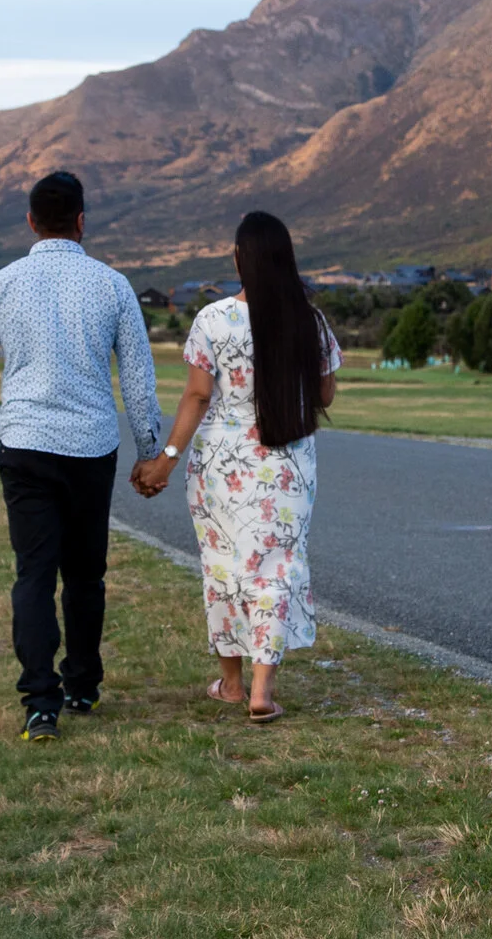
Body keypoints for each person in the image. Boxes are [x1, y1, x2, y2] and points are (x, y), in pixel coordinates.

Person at [0, 171, 164, 744]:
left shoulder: (0, 285)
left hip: (24, 446)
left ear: (30, 222)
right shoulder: (113, 286)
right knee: (86, 573)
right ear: (82, 221)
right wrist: (150, 451)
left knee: (35, 574)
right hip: (91, 448)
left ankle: (40, 703)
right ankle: (83, 685)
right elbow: (138, 381)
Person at [130, 211, 339, 723]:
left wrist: (166, 460)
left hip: (222, 467)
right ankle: (262, 691)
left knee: (223, 568)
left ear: (238, 259)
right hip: (288, 463)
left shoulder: (213, 319)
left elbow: (198, 396)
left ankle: (231, 683)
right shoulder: (310, 321)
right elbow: (325, 393)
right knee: (277, 568)